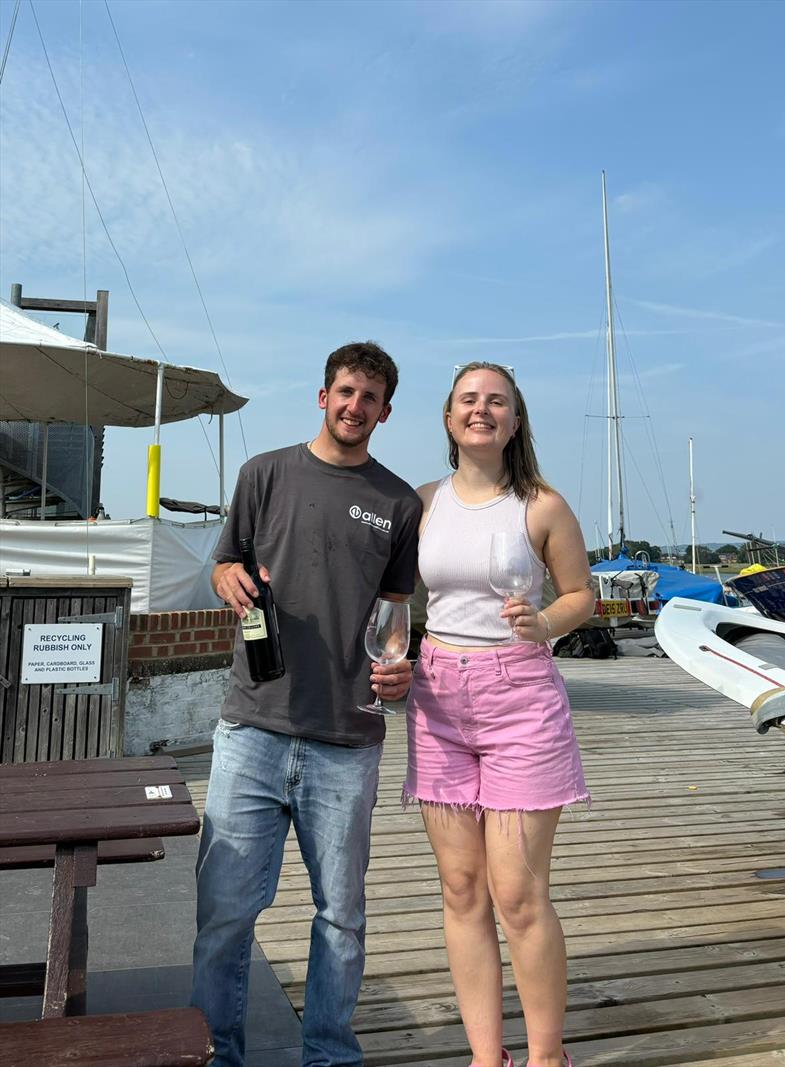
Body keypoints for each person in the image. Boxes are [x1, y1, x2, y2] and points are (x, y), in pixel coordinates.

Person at [191, 341, 421, 1067]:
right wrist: (227, 579)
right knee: (225, 914)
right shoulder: (264, 474)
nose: (356, 406)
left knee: (342, 917)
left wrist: (402, 671)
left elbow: (395, 619)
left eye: (371, 397)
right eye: (346, 391)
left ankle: (328, 1053)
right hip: (252, 726)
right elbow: (224, 563)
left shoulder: (400, 503)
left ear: (386, 411)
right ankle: (217, 1054)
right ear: (322, 396)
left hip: (348, 739)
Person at [402, 362, 595, 1067]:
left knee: (517, 892)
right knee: (460, 887)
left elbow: (582, 595)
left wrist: (543, 620)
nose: (481, 410)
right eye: (468, 399)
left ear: (515, 421)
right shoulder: (422, 502)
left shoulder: (542, 505)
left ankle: (546, 1055)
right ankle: (489, 1056)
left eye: (497, 402)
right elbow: (387, 594)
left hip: (520, 701)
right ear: (449, 417)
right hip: (437, 700)